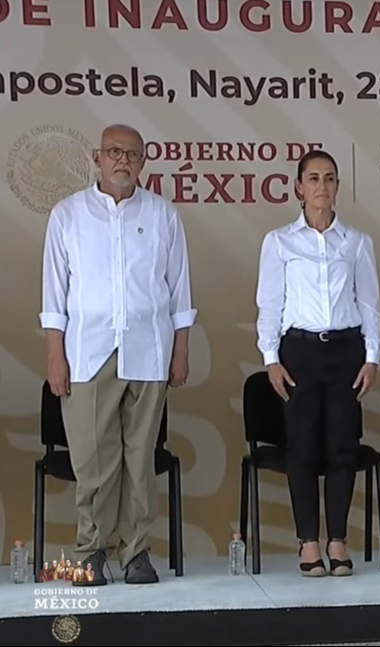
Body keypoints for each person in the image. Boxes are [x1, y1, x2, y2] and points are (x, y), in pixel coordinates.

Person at [39, 123, 197, 586]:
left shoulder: (163, 214)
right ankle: (90, 551)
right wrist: (55, 355)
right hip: (87, 352)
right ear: (97, 158)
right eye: (113, 152)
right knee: (93, 461)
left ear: (143, 162)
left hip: (149, 350)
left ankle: (136, 554)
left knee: (139, 459)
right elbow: (54, 294)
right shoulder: (68, 215)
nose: (122, 160)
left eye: (131, 153)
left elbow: (178, 290)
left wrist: (180, 349)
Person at [255, 149, 380, 577]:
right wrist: (271, 358)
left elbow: (369, 303)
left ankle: (338, 540)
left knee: (343, 448)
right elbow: (270, 304)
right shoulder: (279, 241)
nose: (321, 187)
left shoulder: (357, 242)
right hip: (300, 352)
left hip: (346, 351)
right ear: (298, 187)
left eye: (329, 179)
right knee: (303, 447)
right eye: (313, 179)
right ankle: (308, 542)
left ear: (338, 187)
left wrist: (372, 357)